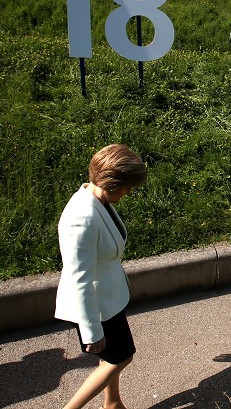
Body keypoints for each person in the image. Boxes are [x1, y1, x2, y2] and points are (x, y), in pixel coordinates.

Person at [55, 144, 147, 409]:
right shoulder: (82, 218)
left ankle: (113, 402)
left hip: (108, 299)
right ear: (114, 183)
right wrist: (91, 331)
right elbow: (78, 279)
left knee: (111, 357)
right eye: (128, 188)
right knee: (120, 358)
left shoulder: (96, 199)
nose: (128, 193)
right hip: (95, 308)